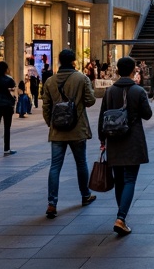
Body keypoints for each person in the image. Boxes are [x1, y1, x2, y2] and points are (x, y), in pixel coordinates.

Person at [98, 55, 153, 237]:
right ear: (132, 71)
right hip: (133, 140)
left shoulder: (110, 91)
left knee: (120, 180)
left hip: (113, 141)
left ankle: (121, 217)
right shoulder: (138, 91)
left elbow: (102, 117)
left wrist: (102, 140)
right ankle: (121, 218)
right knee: (130, 179)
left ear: (118, 70)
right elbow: (147, 115)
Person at [42, 48, 98, 219]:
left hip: (57, 131)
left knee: (55, 166)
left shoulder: (50, 81)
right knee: (81, 163)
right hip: (77, 128)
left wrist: (52, 124)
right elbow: (90, 101)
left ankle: (52, 203)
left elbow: (46, 107)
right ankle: (85, 195)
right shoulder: (81, 78)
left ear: (59, 61)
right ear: (74, 60)